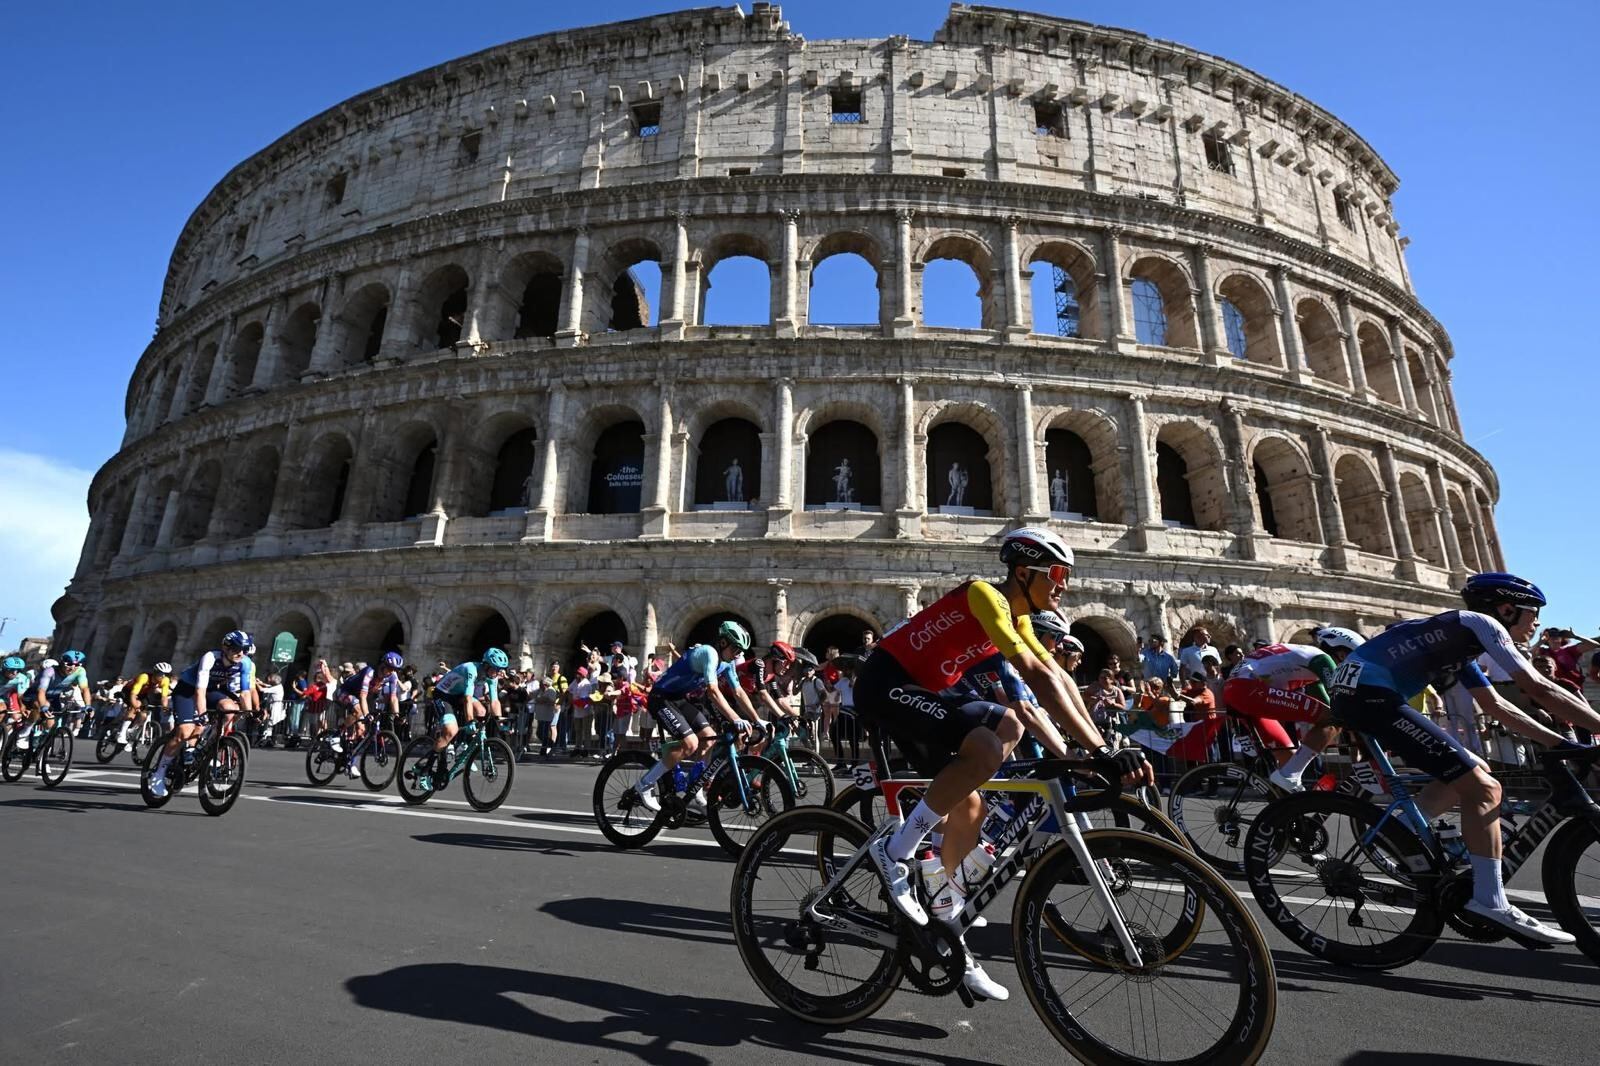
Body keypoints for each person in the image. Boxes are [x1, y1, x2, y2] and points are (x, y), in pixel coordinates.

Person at [856, 527, 1150, 1002]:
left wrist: (1099, 746)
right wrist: (1093, 753)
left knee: (982, 783)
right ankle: (896, 849)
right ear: (1022, 571)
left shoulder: (1024, 618)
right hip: (887, 684)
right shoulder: (984, 596)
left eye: (1067, 575)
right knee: (990, 746)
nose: (1064, 585)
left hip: (929, 693)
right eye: (1056, 574)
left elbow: (1056, 676)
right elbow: (1035, 675)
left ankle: (946, 927)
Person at [1283, 574, 1600, 943]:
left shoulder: (1457, 640)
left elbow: (1495, 706)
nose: (1538, 623)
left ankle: (1395, 835)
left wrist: (1559, 743)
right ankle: (1489, 900)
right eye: (1534, 614)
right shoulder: (1482, 623)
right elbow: (1537, 687)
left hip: (1361, 692)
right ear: (1507, 609)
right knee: (1484, 789)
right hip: (1368, 694)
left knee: (1476, 770)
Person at [633, 620, 756, 813]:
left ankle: (695, 786)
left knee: (708, 739)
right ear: (723, 643)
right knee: (690, 743)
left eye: (741, 651)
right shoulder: (710, 653)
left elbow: (739, 692)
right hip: (661, 697)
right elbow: (713, 691)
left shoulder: (727, 663)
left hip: (679, 699)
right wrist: (736, 719)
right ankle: (645, 784)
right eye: (736, 649)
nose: (738, 654)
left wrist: (757, 720)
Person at [148, 632, 257, 799]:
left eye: (244, 649)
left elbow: (245, 692)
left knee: (230, 709)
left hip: (212, 690)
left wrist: (248, 712)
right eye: (236, 649)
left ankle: (211, 746)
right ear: (225, 648)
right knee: (184, 732)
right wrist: (202, 714)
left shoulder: (245, 663)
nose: (240, 653)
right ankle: (159, 772)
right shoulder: (211, 657)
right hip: (188, 689)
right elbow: (199, 691)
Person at [425, 648, 510, 783]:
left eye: (500, 669)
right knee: (451, 731)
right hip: (444, 695)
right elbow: (467, 699)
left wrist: (500, 721)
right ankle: (425, 769)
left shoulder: (492, 677)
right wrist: (470, 720)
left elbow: (494, 701)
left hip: (458, 696)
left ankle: (464, 747)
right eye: (496, 669)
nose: (498, 673)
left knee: (482, 711)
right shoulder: (471, 669)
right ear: (486, 665)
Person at [114, 662, 173, 750]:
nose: (163, 676)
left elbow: (164, 697)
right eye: (161, 674)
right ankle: (122, 733)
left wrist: (165, 707)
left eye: (167, 674)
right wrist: (136, 707)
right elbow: (133, 695)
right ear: (155, 672)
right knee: (136, 706)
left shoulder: (165, 680)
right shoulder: (144, 677)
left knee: (144, 715)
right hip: (129, 691)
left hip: (143, 694)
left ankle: (133, 732)